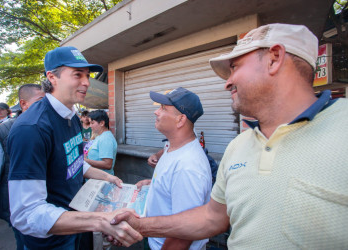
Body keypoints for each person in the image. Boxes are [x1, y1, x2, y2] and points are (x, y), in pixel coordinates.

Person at [111, 23, 348, 249]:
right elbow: (211, 218)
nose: (227, 83)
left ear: (274, 58)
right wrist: (141, 225)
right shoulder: (239, 145)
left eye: (234, 67)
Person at [7, 46, 142, 249]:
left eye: (87, 75)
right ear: (52, 77)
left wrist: (108, 177)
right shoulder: (32, 129)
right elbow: (26, 214)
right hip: (50, 241)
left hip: (75, 227)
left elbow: (74, 162)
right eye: (77, 74)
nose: (86, 82)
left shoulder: (73, 118)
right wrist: (100, 220)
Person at [135, 87, 212, 250]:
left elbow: (183, 234)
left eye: (163, 108)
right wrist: (154, 184)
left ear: (181, 120)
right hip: (154, 240)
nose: (156, 112)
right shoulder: (171, 146)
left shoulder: (188, 166)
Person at [0, 84, 45, 250]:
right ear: (23, 104)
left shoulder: (47, 128)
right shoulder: (2, 133)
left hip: (46, 214)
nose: (44, 107)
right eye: (40, 102)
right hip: (17, 214)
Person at [84, 110, 117, 175]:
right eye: (90, 123)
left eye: (92, 123)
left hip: (101, 181)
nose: (90, 126)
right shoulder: (99, 136)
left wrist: (85, 161)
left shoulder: (106, 138)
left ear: (102, 123)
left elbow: (107, 164)